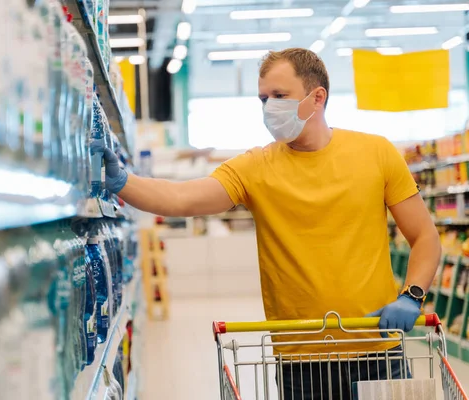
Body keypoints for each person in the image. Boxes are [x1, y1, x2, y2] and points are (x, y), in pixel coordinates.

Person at [93, 48, 441, 399]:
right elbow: (182, 199)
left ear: (316, 97)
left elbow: (424, 235)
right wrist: (124, 182)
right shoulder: (255, 168)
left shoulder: (377, 153)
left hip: (377, 347)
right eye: (263, 99)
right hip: (300, 359)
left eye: (279, 96)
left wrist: (412, 295)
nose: (268, 108)